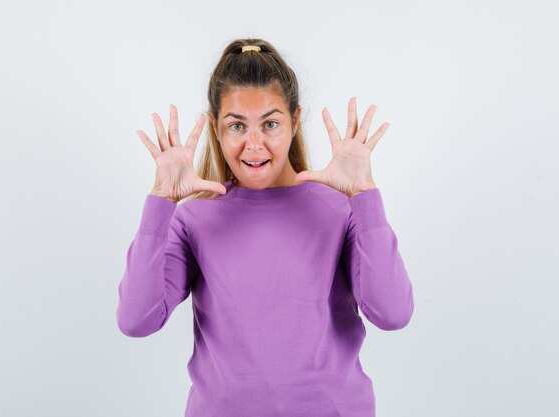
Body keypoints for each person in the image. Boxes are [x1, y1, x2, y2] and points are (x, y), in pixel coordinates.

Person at [116, 38, 415, 417]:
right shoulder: (194, 219)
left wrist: (365, 196)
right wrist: (160, 202)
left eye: (270, 123)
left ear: (294, 121)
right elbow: (136, 320)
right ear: (215, 127)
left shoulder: (340, 211)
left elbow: (393, 313)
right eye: (237, 125)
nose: (254, 144)